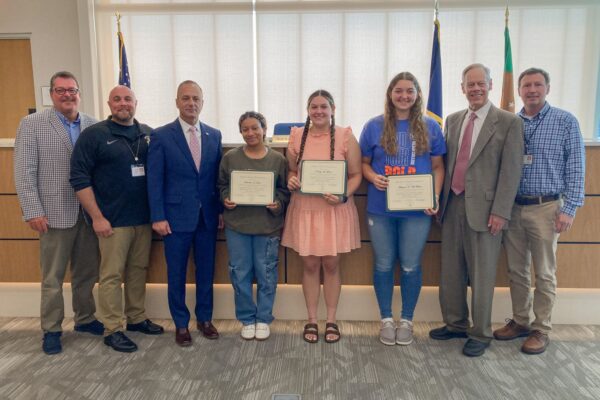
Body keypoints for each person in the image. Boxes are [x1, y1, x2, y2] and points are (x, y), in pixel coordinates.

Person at [429, 63, 523, 357]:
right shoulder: (454, 120)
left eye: (481, 83)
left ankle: (480, 332)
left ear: (491, 85)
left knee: (481, 273)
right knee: (451, 271)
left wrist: (501, 211)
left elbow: (511, 172)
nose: (476, 89)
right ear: (462, 88)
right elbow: (446, 163)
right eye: (470, 84)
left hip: (487, 210)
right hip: (452, 204)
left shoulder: (508, 122)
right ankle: (456, 323)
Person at [493, 68, 585, 355]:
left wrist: (568, 208)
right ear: (519, 90)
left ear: (547, 87)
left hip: (547, 207)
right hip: (514, 206)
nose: (532, 90)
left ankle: (541, 328)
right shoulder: (512, 123)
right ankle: (521, 321)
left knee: (544, 272)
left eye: (537, 85)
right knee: (516, 270)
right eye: (526, 85)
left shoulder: (565, 121)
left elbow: (577, 168)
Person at [14, 71, 104, 355]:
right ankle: (52, 328)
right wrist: (33, 210)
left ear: (79, 93)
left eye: (72, 90)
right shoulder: (32, 124)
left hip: (88, 213)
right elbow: (24, 171)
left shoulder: (93, 124)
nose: (68, 95)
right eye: (61, 90)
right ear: (52, 94)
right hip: (52, 212)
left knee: (86, 273)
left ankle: (85, 319)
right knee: (52, 277)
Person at [70, 85, 164, 353]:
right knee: (111, 276)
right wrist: (97, 217)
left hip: (143, 220)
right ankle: (112, 328)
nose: (123, 104)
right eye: (117, 100)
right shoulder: (94, 135)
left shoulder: (148, 134)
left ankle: (136, 318)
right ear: (109, 104)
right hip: (111, 221)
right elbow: (79, 179)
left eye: (128, 99)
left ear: (136, 102)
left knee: (138, 271)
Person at [359, 72, 446, 346]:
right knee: (384, 264)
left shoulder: (431, 127)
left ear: (418, 94)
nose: (404, 96)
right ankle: (386, 319)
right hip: (380, 209)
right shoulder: (374, 126)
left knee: (410, 265)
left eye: (410, 91)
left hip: (416, 210)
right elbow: (363, 163)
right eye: (399, 90)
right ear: (390, 93)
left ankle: (407, 320)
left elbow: (437, 167)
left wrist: (434, 195)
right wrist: (373, 177)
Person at [282, 89, 362, 344]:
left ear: (332, 109)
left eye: (323, 107)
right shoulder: (296, 136)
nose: (318, 111)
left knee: (331, 264)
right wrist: (292, 180)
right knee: (309, 265)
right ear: (308, 110)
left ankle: (331, 320)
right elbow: (291, 172)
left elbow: (356, 175)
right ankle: (312, 320)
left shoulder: (345, 136)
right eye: (313, 107)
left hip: (333, 211)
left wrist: (343, 196)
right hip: (305, 211)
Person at [147, 80, 223, 347]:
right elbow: (154, 180)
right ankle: (181, 323)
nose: (191, 103)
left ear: (203, 103)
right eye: (186, 98)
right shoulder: (161, 135)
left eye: (196, 99)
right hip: (174, 218)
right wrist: (157, 215)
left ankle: (205, 319)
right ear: (177, 102)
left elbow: (216, 178)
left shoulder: (215, 135)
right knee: (176, 273)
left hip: (207, 217)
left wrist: (221, 211)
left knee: (206, 271)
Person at [218, 111, 290, 340]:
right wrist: (226, 198)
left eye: (255, 128)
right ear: (240, 132)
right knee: (240, 273)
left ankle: (264, 318)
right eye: (245, 129)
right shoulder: (230, 157)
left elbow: (284, 191)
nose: (250, 133)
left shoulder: (278, 159)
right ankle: (247, 318)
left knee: (267, 273)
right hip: (237, 225)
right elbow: (221, 185)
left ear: (264, 129)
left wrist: (277, 204)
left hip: (267, 226)